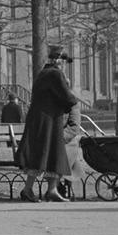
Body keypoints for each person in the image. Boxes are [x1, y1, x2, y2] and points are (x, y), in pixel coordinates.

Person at [15, 46, 79, 203]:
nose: (64, 65)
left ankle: (49, 190)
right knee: (45, 153)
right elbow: (67, 97)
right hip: (47, 120)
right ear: (58, 60)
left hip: (43, 119)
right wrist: (73, 101)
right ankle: (31, 189)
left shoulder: (43, 73)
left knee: (49, 154)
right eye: (64, 61)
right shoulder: (55, 74)